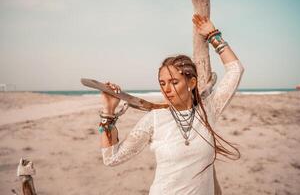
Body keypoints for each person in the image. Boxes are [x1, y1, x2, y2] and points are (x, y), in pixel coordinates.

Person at [98, 14, 244, 195]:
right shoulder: (154, 120)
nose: (166, 89)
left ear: (191, 83)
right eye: (162, 83)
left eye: (174, 82)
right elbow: (111, 158)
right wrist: (108, 112)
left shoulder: (209, 109)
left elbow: (235, 70)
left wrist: (213, 35)